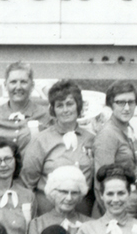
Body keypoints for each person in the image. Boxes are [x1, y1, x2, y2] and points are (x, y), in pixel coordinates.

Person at [20, 79, 96, 214]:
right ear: (53, 110)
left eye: (70, 104)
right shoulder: (41, 140)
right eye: (60, 105)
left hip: (83, 214)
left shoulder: (91, 140)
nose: (65, 110)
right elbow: (27, 183)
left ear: (78, 106)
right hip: (48, 213)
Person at [26, 166, 91, 234]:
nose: (69, 198)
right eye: (64, 192)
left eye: (74, 193)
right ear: (53, 192)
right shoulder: (37, 224)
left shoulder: (89, 224)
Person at [0, 62, 50, 151]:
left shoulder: (45, 116)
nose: (18, 87)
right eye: (13, 82)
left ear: (32, 85)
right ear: (5, 85)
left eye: (23, 82)